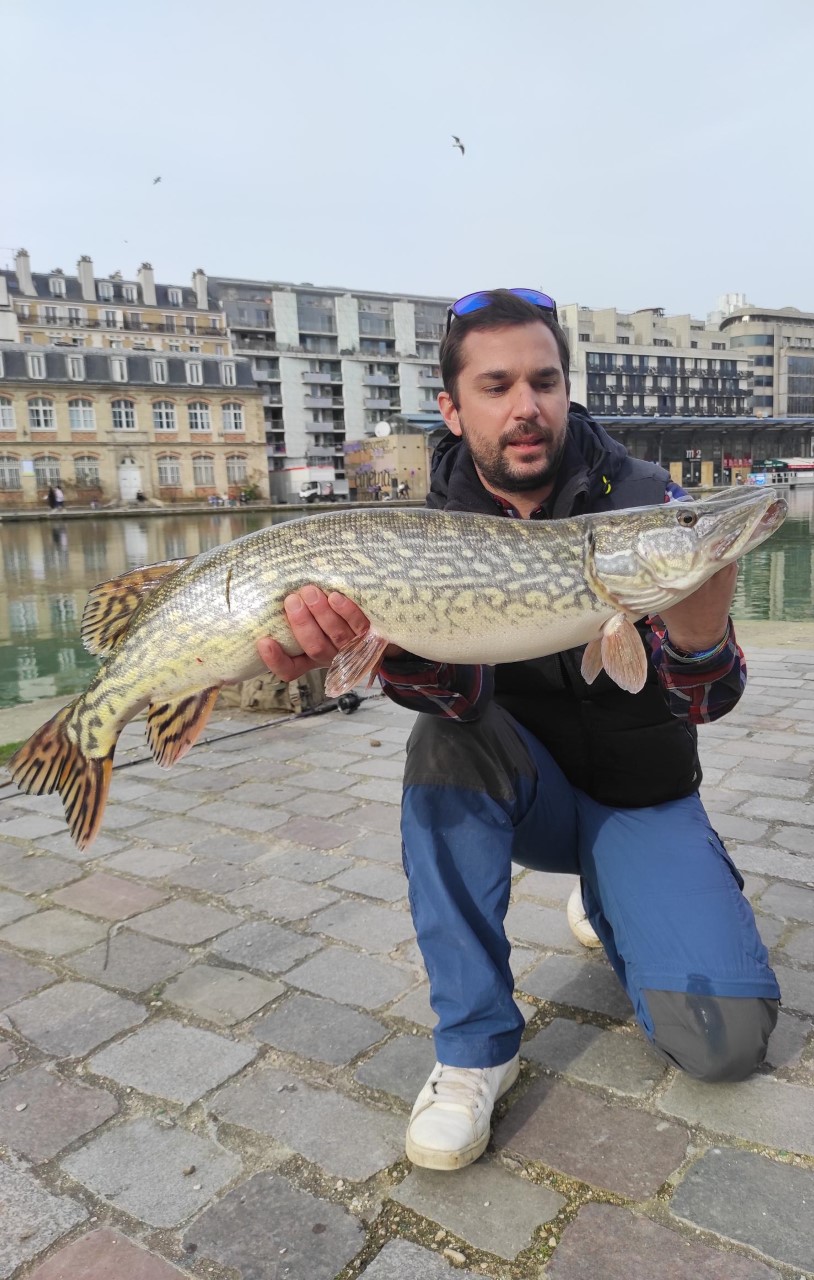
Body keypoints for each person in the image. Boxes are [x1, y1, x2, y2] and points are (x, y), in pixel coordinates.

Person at [257, 289, 780, 1172]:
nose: (525, 405)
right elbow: (451, 703)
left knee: (723, 1044)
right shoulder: (424, 530)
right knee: (442, 745)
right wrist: (363, 648)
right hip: (519, 786)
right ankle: (472, 1051)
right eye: (496, 385)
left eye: (543, 380)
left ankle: (619, 890)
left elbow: (707, 704)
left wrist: (698, 631)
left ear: (567, 390)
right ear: (454, 409)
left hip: (641, 796)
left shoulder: (646, 503)